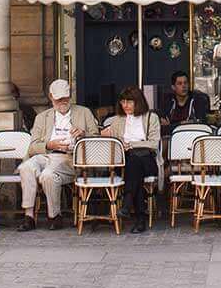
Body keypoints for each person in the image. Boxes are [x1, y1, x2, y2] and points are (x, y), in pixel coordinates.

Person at [17, 79, 99, 231]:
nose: (62, 101)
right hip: (46, 154)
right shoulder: (42, 117)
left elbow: (96, 140)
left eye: (65, 98)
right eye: (58, 98)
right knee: (26, 167)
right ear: (51, 97)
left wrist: (83, 134)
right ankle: (29, 216)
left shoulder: (84, 112)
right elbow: (32, 147)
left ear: (70, 95)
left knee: (48, 175)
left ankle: (54, 215)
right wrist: (49, 145)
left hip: (69, 157)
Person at [101, 86, 160, 234]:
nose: (125, 105)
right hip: (127, 162)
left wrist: (132, 144)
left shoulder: (151, 117)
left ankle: (127, 204)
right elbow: (113, 140)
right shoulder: (118, 120)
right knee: (135, 171)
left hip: (147, 159)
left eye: (129, 102)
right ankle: (139, 219)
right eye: (123, 102)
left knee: (135, 160)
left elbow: (153, 143)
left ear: (138, 102)